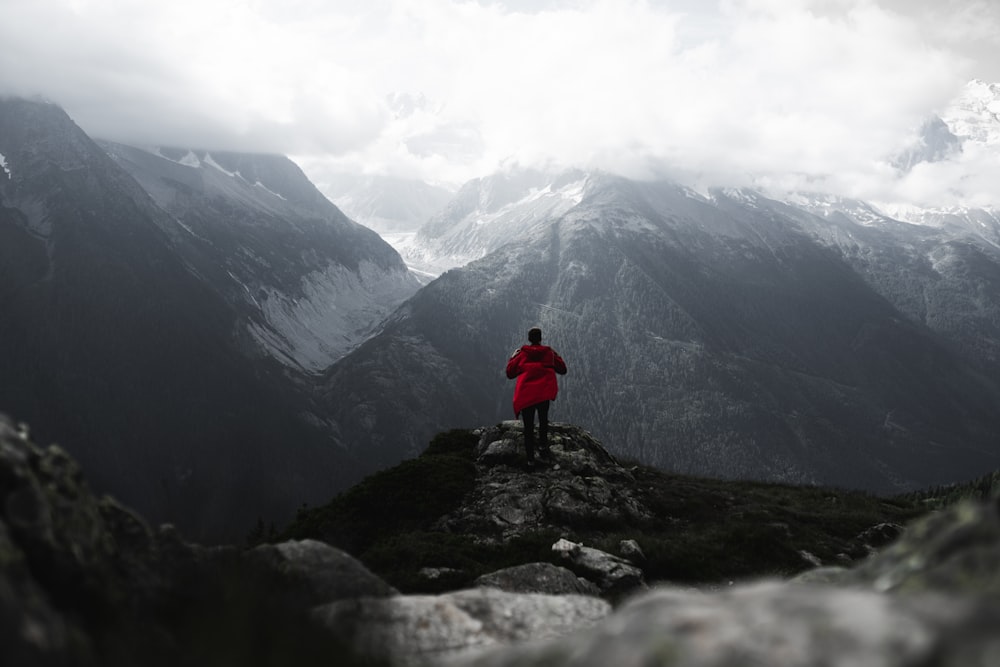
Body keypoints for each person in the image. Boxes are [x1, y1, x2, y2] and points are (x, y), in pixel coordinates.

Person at [506, 327, 567, 467]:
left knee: (528, 427)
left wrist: (513, 357)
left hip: (526, 395)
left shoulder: (522, 354)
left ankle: (530, 460)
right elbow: (563, 369)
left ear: (529, 339)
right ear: (540, 338)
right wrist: (556, 355)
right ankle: (543, 449)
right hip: (543, 393)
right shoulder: (548, 353)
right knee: (543, 420)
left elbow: (510, 373)